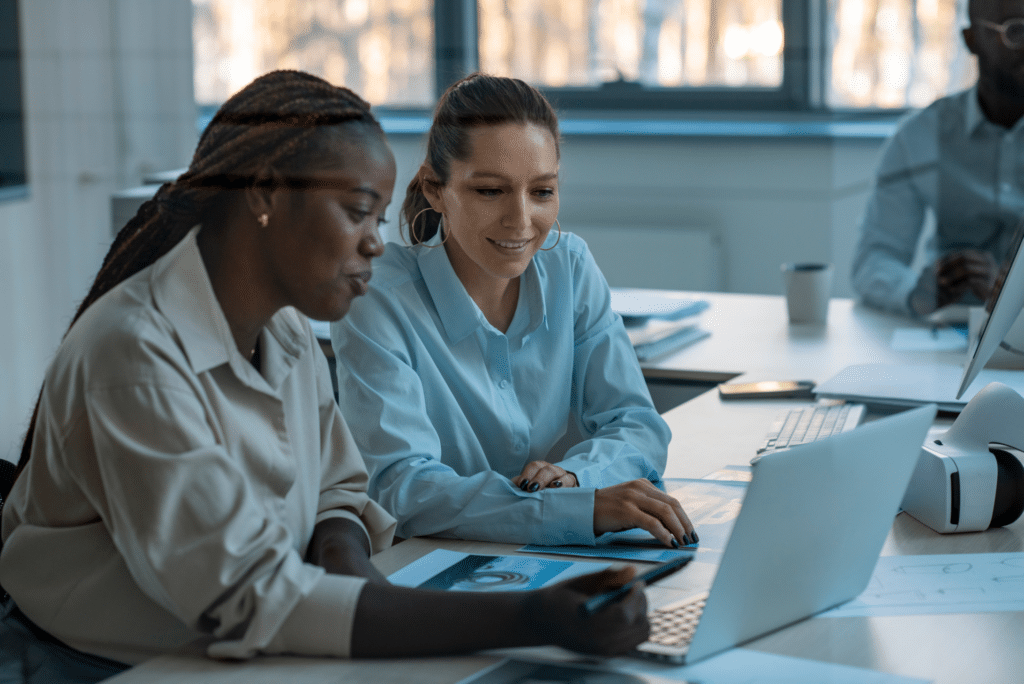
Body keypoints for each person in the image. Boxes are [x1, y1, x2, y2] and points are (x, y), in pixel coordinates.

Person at [0, 71, 650, 682]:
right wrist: (530, 616)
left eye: (377, 217)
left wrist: (348, 562)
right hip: (105, 667)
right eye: (355, 211)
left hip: (237, 653)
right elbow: (255, 598)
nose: (376, 243)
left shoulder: (279, 328)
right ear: (263, 196)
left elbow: (338, 491)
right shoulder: (135, 355)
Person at [331, 74, 696, 548]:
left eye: (541, 192)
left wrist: (572, 479)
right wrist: (572, 510)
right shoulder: (377, 295)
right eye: (489, 191)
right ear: (436, 190)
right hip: (431, 568)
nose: (521, 221)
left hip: (555, 559)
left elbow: (637, 423)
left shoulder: (570, 266)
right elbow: (403, 488)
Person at [851, 0, 1024, 317]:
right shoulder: (920, 136)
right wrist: (917, 290)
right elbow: (874, 259)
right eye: (1017, 31)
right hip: (949, 334)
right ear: (971, 41)